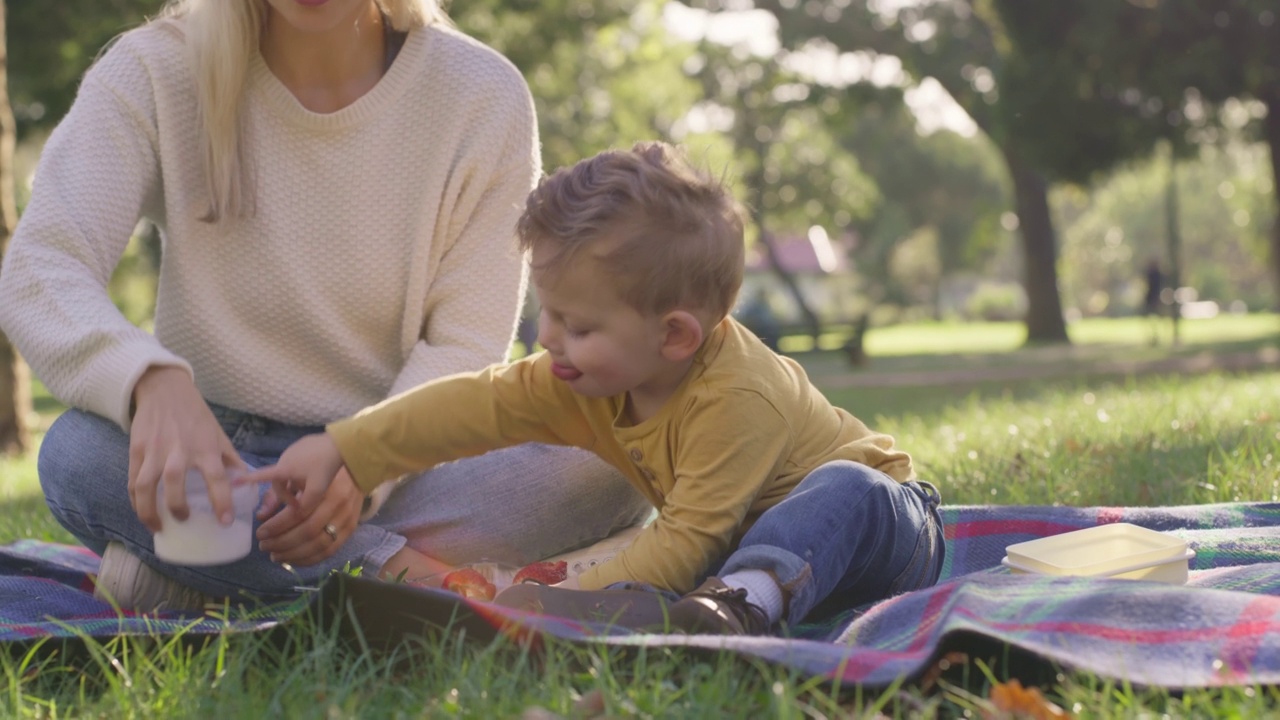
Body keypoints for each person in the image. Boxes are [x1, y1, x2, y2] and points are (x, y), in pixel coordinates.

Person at [0, 0, 651, 612]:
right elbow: (40, 266)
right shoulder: (155, 69)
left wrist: (365, 458)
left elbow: (465, 342)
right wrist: (149, 382)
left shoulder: (481, 93)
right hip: (220, 460)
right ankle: (405, 581)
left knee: (614, 456)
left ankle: (198, 578)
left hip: (406, 457)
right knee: (78, 455)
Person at [246, 141, 945, 635]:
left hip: (879, 535)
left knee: (844, 486)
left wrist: (563, 596)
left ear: (673, 337)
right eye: (547, 313)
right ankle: (730, 593)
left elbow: (683, 546)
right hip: (744, 539)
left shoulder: (739, 398)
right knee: (734, 539)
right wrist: (346, 450)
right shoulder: (582, 375)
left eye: (577, 325)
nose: (549, 338)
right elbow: (469, 407)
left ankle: (740, 604)